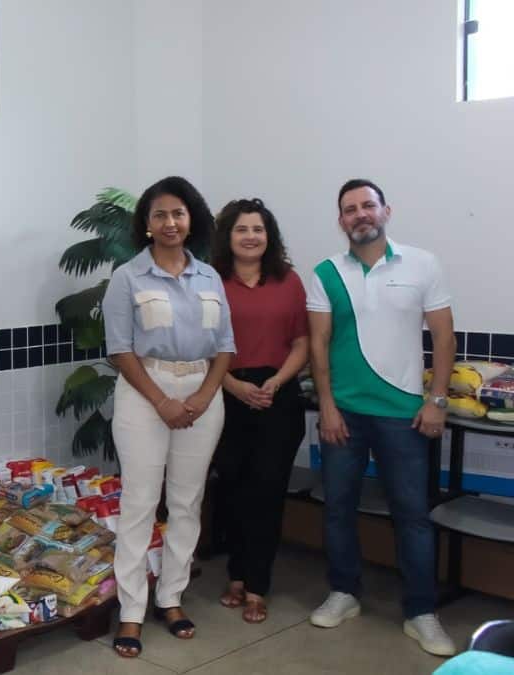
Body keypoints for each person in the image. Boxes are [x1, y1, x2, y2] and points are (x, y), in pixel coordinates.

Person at [307, 178, 456, 656]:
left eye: (367, 205)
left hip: (404, 415)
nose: (360, 214)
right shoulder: (326, 272)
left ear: (385, 211)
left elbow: (444, 337)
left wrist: (436, 401)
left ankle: (422, 612)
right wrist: (327, 406)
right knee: (337, 508)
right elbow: (318, 344)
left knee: (412, 515)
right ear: (341, 221)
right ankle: (344, 592)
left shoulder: (422, 263)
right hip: (344, 414)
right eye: (350, 209)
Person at [101, 176, 235, 658]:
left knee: (186, 501)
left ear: (190, 219)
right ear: (147, 224)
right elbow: (119, 350)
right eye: (160, 214)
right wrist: (161, 401)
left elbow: (225, 347)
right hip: (145, 392)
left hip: (202, 393)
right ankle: (132, 610)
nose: (170, 222)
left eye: (178, 213)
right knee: (140, 502)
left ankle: (171, 598)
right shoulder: (128, 277)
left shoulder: (210, 277)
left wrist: (202, 396)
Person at [208, 198, 308, 623]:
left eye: (258, 229)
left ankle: (256, 586)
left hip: (277, 395)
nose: (251, 236)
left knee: (266, 491)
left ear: (270, 236)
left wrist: (277, 381)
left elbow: (302, 342)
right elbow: (202, 345)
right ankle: (235, 575)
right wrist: (233, 385)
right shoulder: (210, 281)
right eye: (242, 229)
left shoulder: (289, 281)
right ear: (227, 237)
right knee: (231, 487)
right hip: (225, 390)